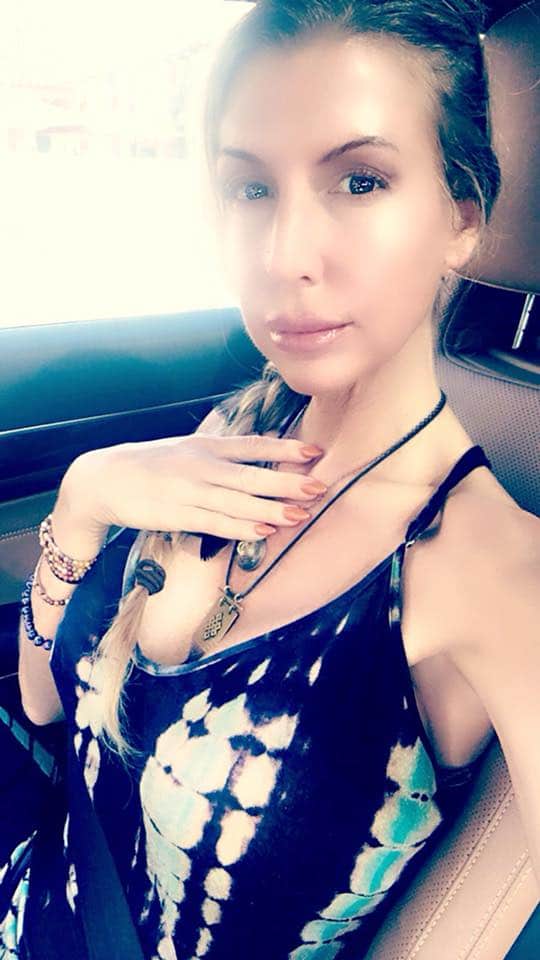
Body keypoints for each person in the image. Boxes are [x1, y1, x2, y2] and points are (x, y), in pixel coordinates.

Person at [2, 1, 539, 958]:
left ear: (461, 215)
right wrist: (83, 502)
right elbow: (45, 705)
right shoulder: (235, 430)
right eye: (250, 188)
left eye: (360, 180)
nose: (282, 256)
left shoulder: (494, 573)